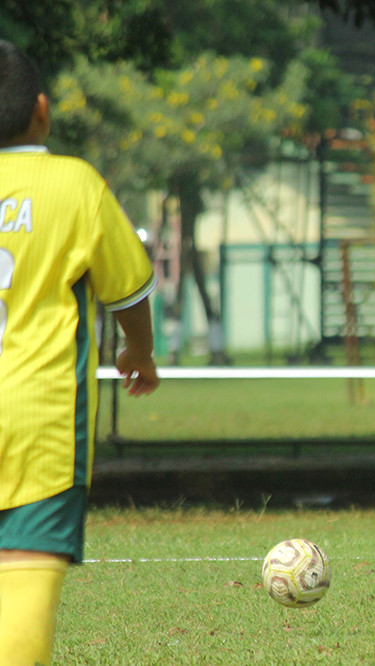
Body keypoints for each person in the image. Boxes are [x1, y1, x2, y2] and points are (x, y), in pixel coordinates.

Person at [0, 40, 160, 665]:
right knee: (26, 568)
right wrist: (139, 353)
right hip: (40, 421)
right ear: (41, 110)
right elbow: (129, 289)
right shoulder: (74, 184)